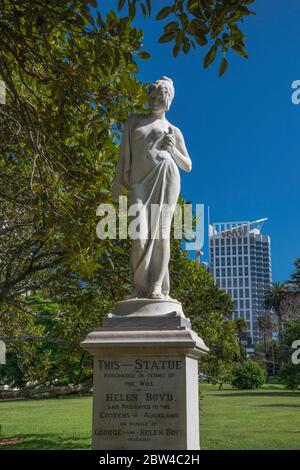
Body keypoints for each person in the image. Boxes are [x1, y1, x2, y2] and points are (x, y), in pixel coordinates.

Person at [112, 77, 191, 299]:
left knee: (161, 234)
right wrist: (118, 182)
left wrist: (173, 150)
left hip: (166, 175)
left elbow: (188, 165)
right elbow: (122, 156)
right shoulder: (134, 122)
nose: (156, 101)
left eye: (161, 98)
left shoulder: (173, 130)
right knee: (139, 234)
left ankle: (156, 286)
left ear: (169, 101)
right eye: (153, 96)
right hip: (138, 183)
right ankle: (139, 287)